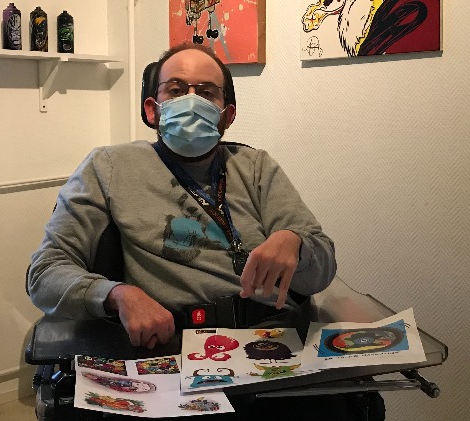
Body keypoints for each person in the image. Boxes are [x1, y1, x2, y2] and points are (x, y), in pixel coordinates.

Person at [28, 43, 382, 421]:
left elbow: (322, 266)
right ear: (152, 109)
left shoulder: (256, 167)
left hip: (273, 346)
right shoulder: (109, 167)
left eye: (207, 92)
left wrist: (294, 244)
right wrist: (116, 295)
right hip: (173, 353)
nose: (191, 101)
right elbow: (45, 273)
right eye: (176, 90)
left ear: (227, 114)